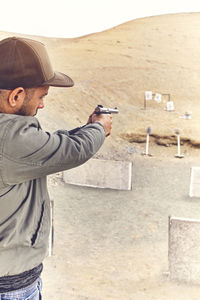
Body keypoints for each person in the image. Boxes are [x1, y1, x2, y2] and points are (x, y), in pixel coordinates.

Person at [0, 37, 112, 299]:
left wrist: (86, 129)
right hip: (11, 288)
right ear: (16, 95)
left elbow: (44, 146)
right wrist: (99, 128)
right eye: (42, 96)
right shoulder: (9, 138)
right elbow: (72, 150)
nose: (42, 105)